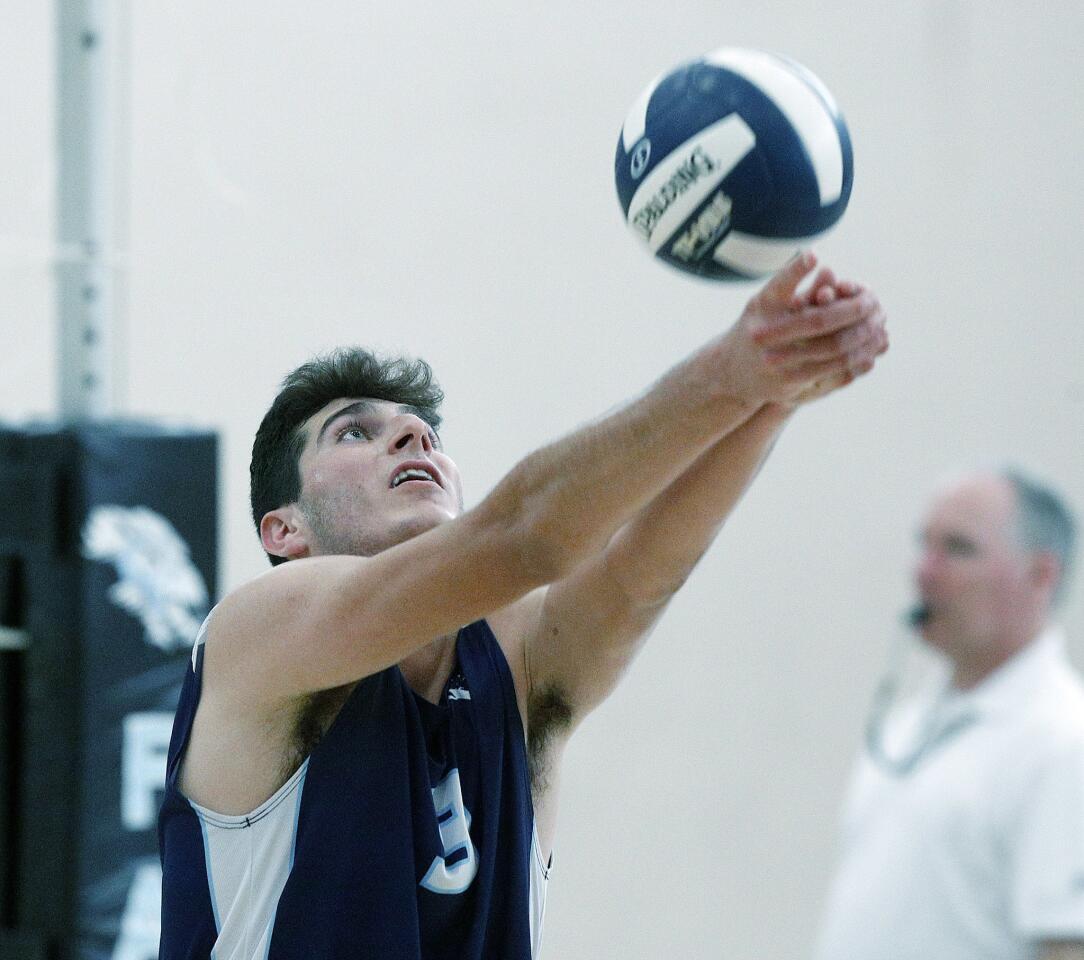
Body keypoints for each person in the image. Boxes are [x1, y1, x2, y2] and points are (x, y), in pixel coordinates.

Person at [157, 253, 888, 960]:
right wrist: (731, 371)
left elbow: (643, 572)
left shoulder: (515, 659)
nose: (414, 435)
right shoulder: (261, 634)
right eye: (356, 430)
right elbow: (523, 537)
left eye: (424, 431)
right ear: (284, 530)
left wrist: (775, 391)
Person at [815, 469, 1084, 960]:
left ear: (1041, 575)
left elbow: (1066, 946)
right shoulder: (909, 726)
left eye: (958, 549)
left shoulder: (1065, 742)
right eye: (924, 544)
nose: (924, 572)